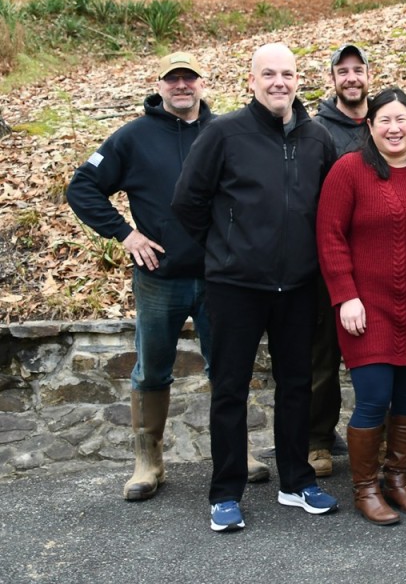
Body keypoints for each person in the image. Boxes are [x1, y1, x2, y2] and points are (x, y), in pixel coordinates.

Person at [66, 52, 258, 500]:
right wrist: (125, 234)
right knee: (152, 370)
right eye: (173, 79)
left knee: (227, 368)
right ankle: (148, 461)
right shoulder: (132, 137)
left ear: (203, 83)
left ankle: (236, 452)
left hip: (219, 275)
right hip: (159, 277)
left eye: (189, 78)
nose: (182, 85)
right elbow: (82, 186)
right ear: (160, 85)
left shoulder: (225, 132)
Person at [172, 43, 339, 532]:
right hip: (235, 286)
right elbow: (187, 202)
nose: (278, 82)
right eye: (268, 74)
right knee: (229, 389)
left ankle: (296, 482)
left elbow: (329, 210)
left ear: (298, 79)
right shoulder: (224, 133)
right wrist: (227, 247)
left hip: (298, 286)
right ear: (251, 80)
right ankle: (225, 492)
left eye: (287, 73)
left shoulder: (318, 138)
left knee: (296, 386)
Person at [317, 88, 406, 525]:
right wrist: (346, 296)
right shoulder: (349, 170)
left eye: (402, 120)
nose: (394, 128)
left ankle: (397, 479)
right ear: (370, 126)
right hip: (367, 309)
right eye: (385, 120)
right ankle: (365, 488)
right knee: (374, 399)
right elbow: (329, 236)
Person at [308, 43, 372, 478]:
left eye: (358, 69)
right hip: (327, 262)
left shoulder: (385, 122)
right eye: (342, 71)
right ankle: (317, 440)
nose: (351, 78)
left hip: (377, 260)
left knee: (379, 355)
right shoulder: (316, 131)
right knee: (322, 359)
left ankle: (381, 436)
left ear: (368, 75)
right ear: (332, 79)